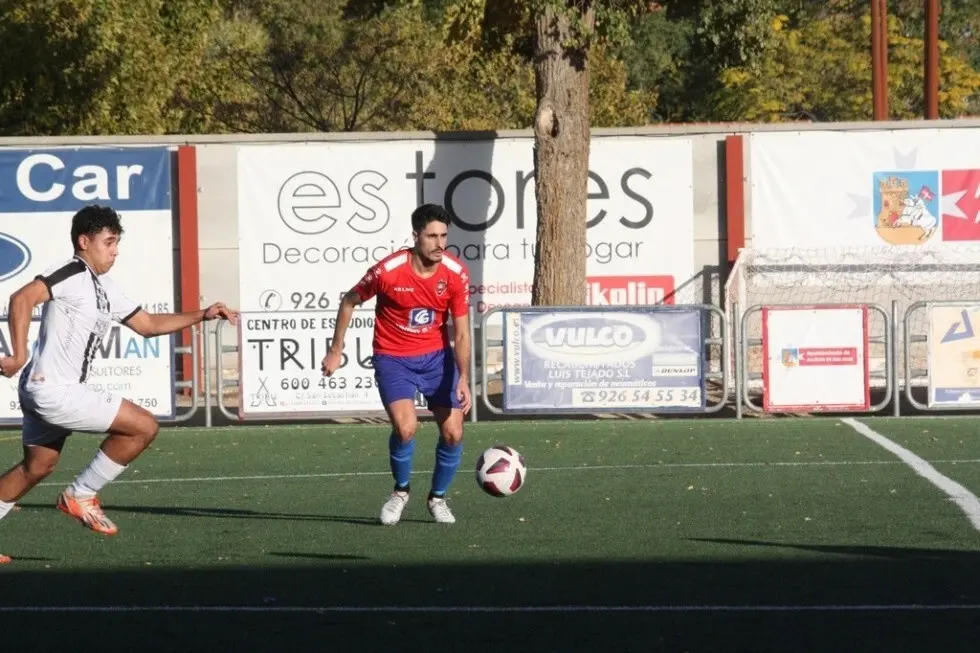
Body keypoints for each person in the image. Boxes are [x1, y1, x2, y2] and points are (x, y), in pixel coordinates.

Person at [0, 205, 238, 564]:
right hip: (54, 391)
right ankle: (81, 494)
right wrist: (18, 354)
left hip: (47, 390)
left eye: (116, 243)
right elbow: (22, 298)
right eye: (108, 242)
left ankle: (79, 494)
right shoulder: (71, 272)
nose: (115, 251)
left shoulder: (104, 287)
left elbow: (147, 325)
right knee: (143, 427)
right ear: (84, 242)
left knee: (37, 467)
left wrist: (202, 315)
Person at [322, 203, 472, 526]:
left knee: (453, 433)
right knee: (406, 429)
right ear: (416, 236)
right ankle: (401, 492)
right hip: (393, 357)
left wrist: (463, 378)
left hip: (437, 359)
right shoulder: (388, 271)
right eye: (431, 236)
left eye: (443, 236)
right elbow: (349, 301)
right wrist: (336, 349)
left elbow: (461, 333)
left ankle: (437, 498)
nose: (439, 244)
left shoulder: (455, 273)